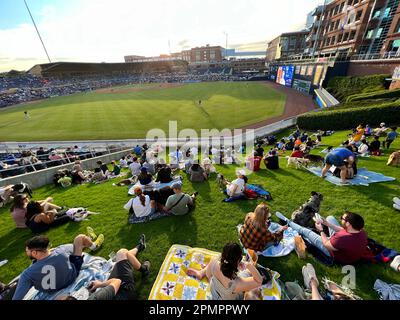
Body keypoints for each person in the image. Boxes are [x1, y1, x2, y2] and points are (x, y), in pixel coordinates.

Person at [12, 233, 104, 300]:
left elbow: (17, 297)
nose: (26, 253)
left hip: (51, 291)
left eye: (27, 251)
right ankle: (94, 245)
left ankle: (91, 240)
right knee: (80, 238)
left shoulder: (28, 274)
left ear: (35, 253)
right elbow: (76, 247)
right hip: (72, 276)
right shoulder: (62, 250)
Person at [61, 235, 150, 300]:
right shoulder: (96, 298)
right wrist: (99, 284)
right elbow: (117, 281)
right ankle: (144, 269)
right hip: (124, 291)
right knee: (122, 253)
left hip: (116, 293)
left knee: (121, 260)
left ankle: (139, 247)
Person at [275, 211, 369, 265]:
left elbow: (327, 245)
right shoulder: (361, 231)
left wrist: (321, 230)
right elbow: (342, 230)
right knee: (330, 218)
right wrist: (326, 224)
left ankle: (287, 221)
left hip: (333, 252)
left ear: (348, 223)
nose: (340, 219)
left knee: (306, 232)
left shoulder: (342, 238)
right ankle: (325, 223)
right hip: (342, 246)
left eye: (342, 218)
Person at [187, 243, 263, 300]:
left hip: (214, 290)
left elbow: (208, 274)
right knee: (250, 280)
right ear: (238, 261)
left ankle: (201, 273)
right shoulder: (237, 284)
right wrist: (248, 265)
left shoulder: (214, 261)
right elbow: (259, 281)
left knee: (212, 277)